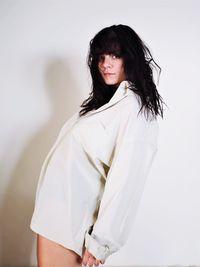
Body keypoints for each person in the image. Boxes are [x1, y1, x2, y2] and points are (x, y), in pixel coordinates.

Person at [30, 24, 165, 267]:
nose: (105, 63)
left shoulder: (135, 110)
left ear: (130, 58)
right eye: (101, 56)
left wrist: (101, 242)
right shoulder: (105, 104)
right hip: (55, 215)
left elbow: (127, 181)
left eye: (115, 55)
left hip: (71, 221)